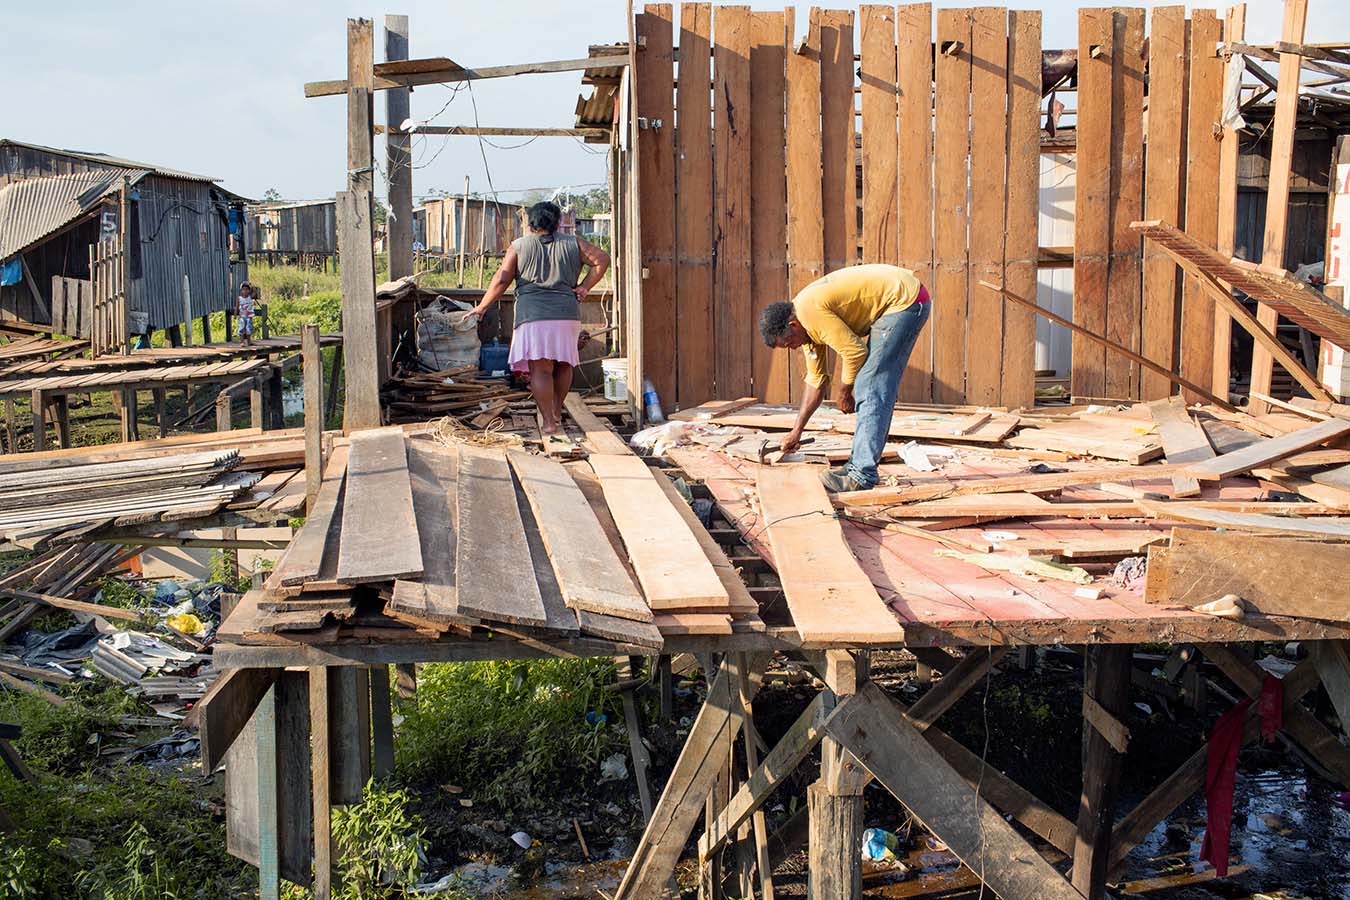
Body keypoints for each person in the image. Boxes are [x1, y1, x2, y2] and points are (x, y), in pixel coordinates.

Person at [759, 263, 931, 492]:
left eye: (789, 343)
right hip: (897, 300)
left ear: (792, 325)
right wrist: (796, 431)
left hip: (904, 301)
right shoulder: (804, 328)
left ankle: (861, 475)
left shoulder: (811, 314)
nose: (792, 348)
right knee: (867, 384)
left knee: (870, 386)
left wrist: (844, 392)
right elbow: (816, 381)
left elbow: (855, 351)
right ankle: (855, 468)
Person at [470, 201, 610, 435]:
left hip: (533, 315)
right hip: (566, 314)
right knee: (564, 365)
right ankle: (556, 411)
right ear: (557, 223)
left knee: (541, 371)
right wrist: (584, 287)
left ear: (529, 222)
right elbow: (602, 259)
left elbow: (502, 279)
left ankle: (549, 422)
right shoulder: (573, 242)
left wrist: (483, 306)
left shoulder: (519, 246)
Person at [235, 282, 257, 347]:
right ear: (241, 291)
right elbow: (237, 306)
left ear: (249, 290)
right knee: (241, 329)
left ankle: (249, 342)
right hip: (242, 316)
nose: (245, 291)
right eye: (243, 289)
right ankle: (242, 342)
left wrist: (252, 286)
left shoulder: (250, 298)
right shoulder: (239, 298)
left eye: (247, 289)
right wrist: (235, 314)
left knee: (249, 329)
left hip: (249, 317)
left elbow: (255, 292)